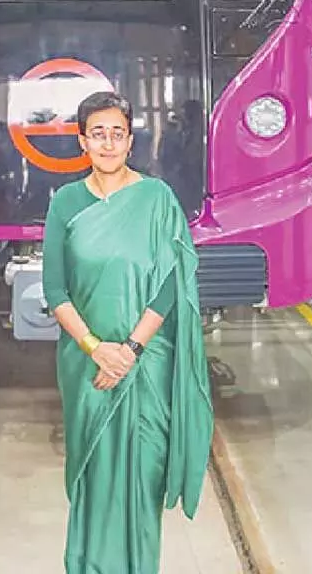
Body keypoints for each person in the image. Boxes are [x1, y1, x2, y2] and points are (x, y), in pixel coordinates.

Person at [42, 91, 214, 574]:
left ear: (130, 140)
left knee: (143, 476)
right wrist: (97, 349)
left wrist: (132, 349)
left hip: (146, 364)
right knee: (95, 477)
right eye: (98, 133)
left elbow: (170, 284)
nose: (108, 142)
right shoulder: (66, 205)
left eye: (117, 133)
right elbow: (56, 291)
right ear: (82, 141)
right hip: (87, 366)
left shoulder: (157, 199)